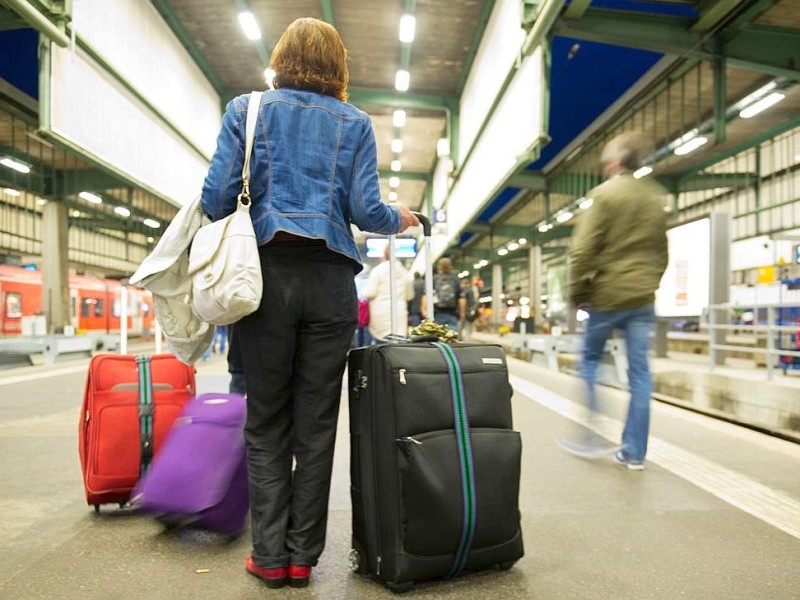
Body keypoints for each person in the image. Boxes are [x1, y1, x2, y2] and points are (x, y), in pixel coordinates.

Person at [200, 17, 418, 589]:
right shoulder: (355, 121)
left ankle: (269, 556)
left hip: (264, 279)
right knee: (316, 425)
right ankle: (303, 557)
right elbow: (369, 214)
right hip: (330, 286)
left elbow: (217, 197)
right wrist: (406, 218)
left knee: (266, 419)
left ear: (280, 58)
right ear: (338, 68)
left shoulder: (246, 111)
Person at [558, 132, 668, 471]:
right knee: (640, 376)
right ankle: (634, 453)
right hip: (642, 299)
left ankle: (591, 437)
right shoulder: (655, 197)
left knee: (589, 360)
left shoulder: (604, 195)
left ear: (617, 163)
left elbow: (582, 250)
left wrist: (578, 295)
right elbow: (662, 253)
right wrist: (649, 284)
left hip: (608, 296)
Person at [363, 242, 414, 341]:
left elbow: (370, 292)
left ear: (384, 255)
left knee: (381, 344)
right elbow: (409, 296)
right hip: (399, 312)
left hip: (380, 311)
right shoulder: (404, 272)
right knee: (398, 343)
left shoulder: (377, 271)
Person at [421, 256, 465, 331]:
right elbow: (462, 299)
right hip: (452, 314)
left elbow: (426, 295)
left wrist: (424, 310)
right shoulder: (455, 279)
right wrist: (462, 313)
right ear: (450, 267)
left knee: (437, 338)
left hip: (436, 314)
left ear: (439, 267)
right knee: (451, 337)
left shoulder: (434, 279)